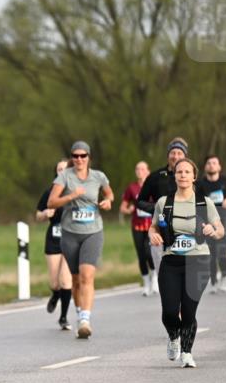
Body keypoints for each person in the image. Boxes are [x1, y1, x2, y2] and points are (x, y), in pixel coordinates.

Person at [149, 158, 224, 368]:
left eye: (186, 172)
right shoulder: (164, 202)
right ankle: (174, 335)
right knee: (170, 312)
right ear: (175, 176)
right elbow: (154, 227)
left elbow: (220, 230)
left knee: (189, 311)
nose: (182, 175)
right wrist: (152, 235)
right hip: (171, 261)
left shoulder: (204, 202)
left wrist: (212, 230)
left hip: (198, 260)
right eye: (179, 172)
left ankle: (187, 353)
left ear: (194, 176)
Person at [47, 141, 115, 339]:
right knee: (75, 279)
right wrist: (71, 196)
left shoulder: (98, 176)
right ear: (71, 158)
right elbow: (52, 202)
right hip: (69, 233)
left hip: (93, 232)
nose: (79, 159)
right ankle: (79, 314)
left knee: (86, 276)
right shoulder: (64, 177)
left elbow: (109, 193)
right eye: (75, 156)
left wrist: (108, 201)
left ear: (88, 158)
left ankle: (85, 319)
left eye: (82, 156)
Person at [137, 137, 189, 283]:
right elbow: (140, 202)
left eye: (179, 153)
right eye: (173, 152)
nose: (176, 156)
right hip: (160, 233)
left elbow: (201, 202)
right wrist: (157, 208)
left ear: (185, 156)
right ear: (168, 155)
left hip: (185, 233)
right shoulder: (155, 177)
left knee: (184, 279)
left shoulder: (192, 177)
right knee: (165, 279)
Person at [36, 160, 76, 330]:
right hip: (53, 238)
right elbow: (37, 215)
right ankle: (55, 294)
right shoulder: (49, 193)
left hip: (71, 238)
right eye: (59, 169)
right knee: (54, 282)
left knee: (66, 280)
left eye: (64, 169)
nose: (62, 172)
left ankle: (64, 317)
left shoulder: (75, 192)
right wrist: (45, 214)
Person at [197, 155, 226, 293]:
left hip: (224, 220)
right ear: (205, 167)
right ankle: (213, 282)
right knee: (211, 254)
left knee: (221, 251)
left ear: (219, 166)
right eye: (209, 163)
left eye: (214, 163)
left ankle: (225, 277)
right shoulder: (201, 185)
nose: (211, 165)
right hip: (208, 223)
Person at [120, 160, 157, 295]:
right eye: (137, 169)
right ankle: (146, 283)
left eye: (142, 169)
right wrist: (128, 209)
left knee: (149, 252)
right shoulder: (132, 188)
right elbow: (122, 207)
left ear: (147, 171)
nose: (139, 171)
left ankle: (155, 279)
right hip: (137, 226)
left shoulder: (153, 186)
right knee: (141, 255)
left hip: (151, 225)